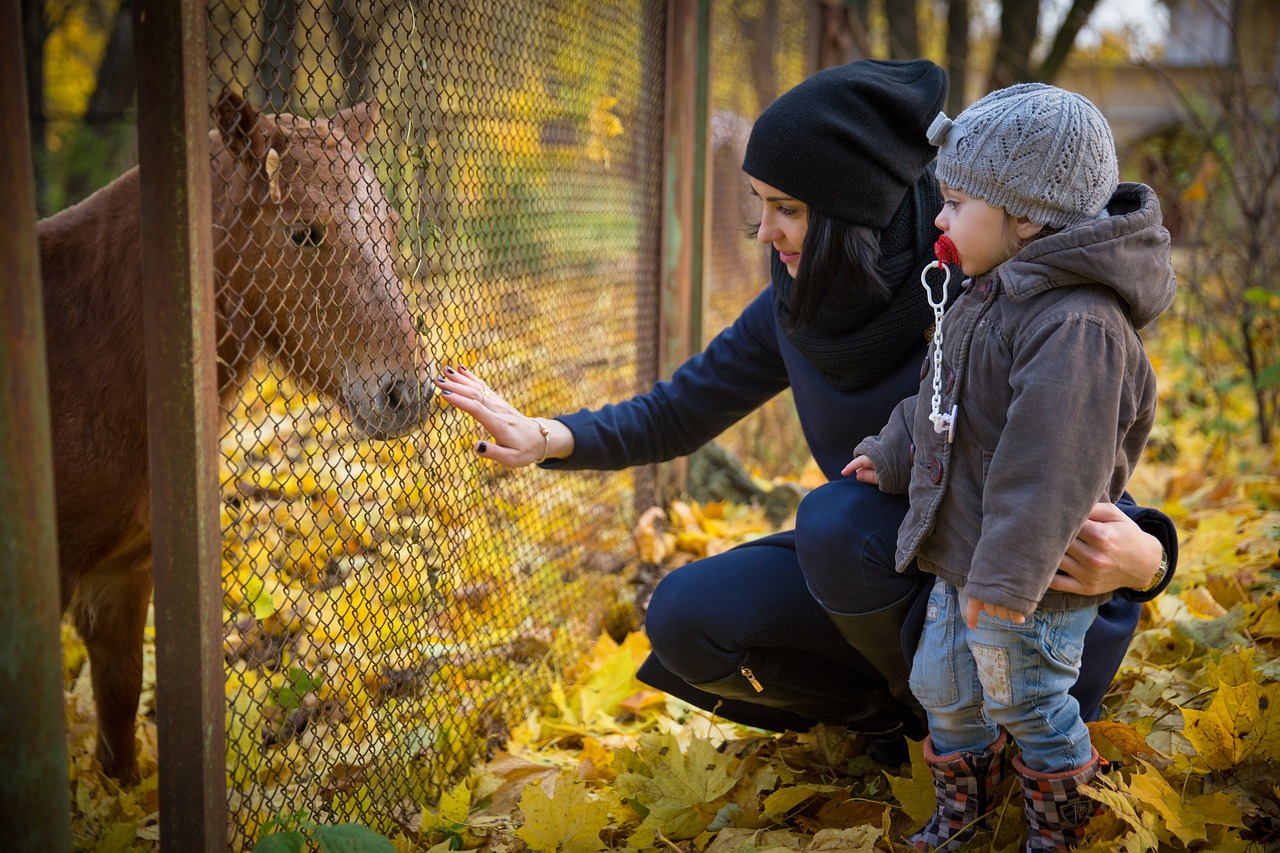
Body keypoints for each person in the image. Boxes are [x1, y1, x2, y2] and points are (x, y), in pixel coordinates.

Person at [432, 60, 1176, 767]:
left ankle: (998, 729)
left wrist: (1150, 561)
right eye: (760, 203)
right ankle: (906, 722)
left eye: (787, 208)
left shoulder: (992, 281)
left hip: (1026, 594)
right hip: (895, 575)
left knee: (836, 521)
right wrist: (545, 436)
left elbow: (1068, 461)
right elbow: (679, 409)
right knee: (686, 614)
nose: (764, 231)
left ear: (856, 209)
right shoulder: (801, 304)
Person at [845, 83, 1176, 851]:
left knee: (1028, 696)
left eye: (956, 203)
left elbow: (1049, 471)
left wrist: (1004, 582)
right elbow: (945, 394)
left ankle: (1060, 822)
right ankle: (965, 808)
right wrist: (895, 448)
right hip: (967, 557)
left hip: (1032, 578)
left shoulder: (1077, 325)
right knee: (942, 685)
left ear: (1025, 216)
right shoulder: (993, 292)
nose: (939, 219)